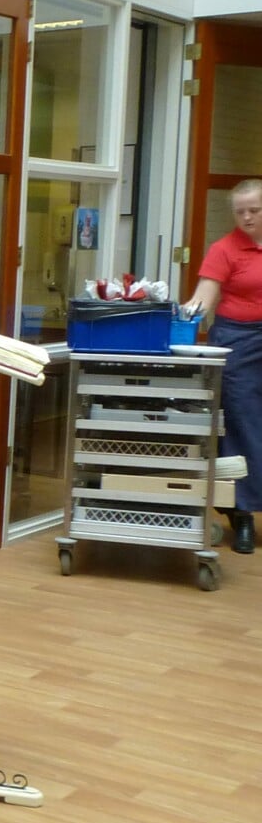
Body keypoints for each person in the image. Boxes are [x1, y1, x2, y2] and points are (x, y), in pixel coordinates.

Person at [181, 178, 262, 554]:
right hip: (237, 342)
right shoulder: (224, 250)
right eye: (240, 211)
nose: (246, 217)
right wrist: (178, 328)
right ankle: (241, 516)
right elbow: (202, 300)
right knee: (242, 425)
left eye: (254, 210)